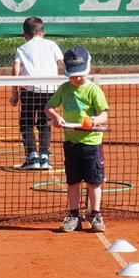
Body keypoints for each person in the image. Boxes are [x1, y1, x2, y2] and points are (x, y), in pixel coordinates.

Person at [46, 46, 109, 233]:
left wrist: (96, 120)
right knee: (73, 182)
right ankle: (74, 216)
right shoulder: (64, 89)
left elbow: (104, 114)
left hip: (91, 144)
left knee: (94, 182)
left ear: (88, 69)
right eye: (73, 75)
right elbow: (49, 106)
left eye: (80, 74)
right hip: (71, 143)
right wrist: (55, 117)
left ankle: (96, 215)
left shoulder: (94, 91)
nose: (77, 78)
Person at [10, 17, 64, 170]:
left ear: (25, 35)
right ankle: (44, 157)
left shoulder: (22, 48)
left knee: (26, 123)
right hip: (50, 90)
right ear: (43, 32)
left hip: (29, 90)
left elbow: (16, 70)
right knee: (45, 123)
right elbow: (63, 64)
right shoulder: (52, 45)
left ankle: (32, 157)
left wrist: (15, 94)